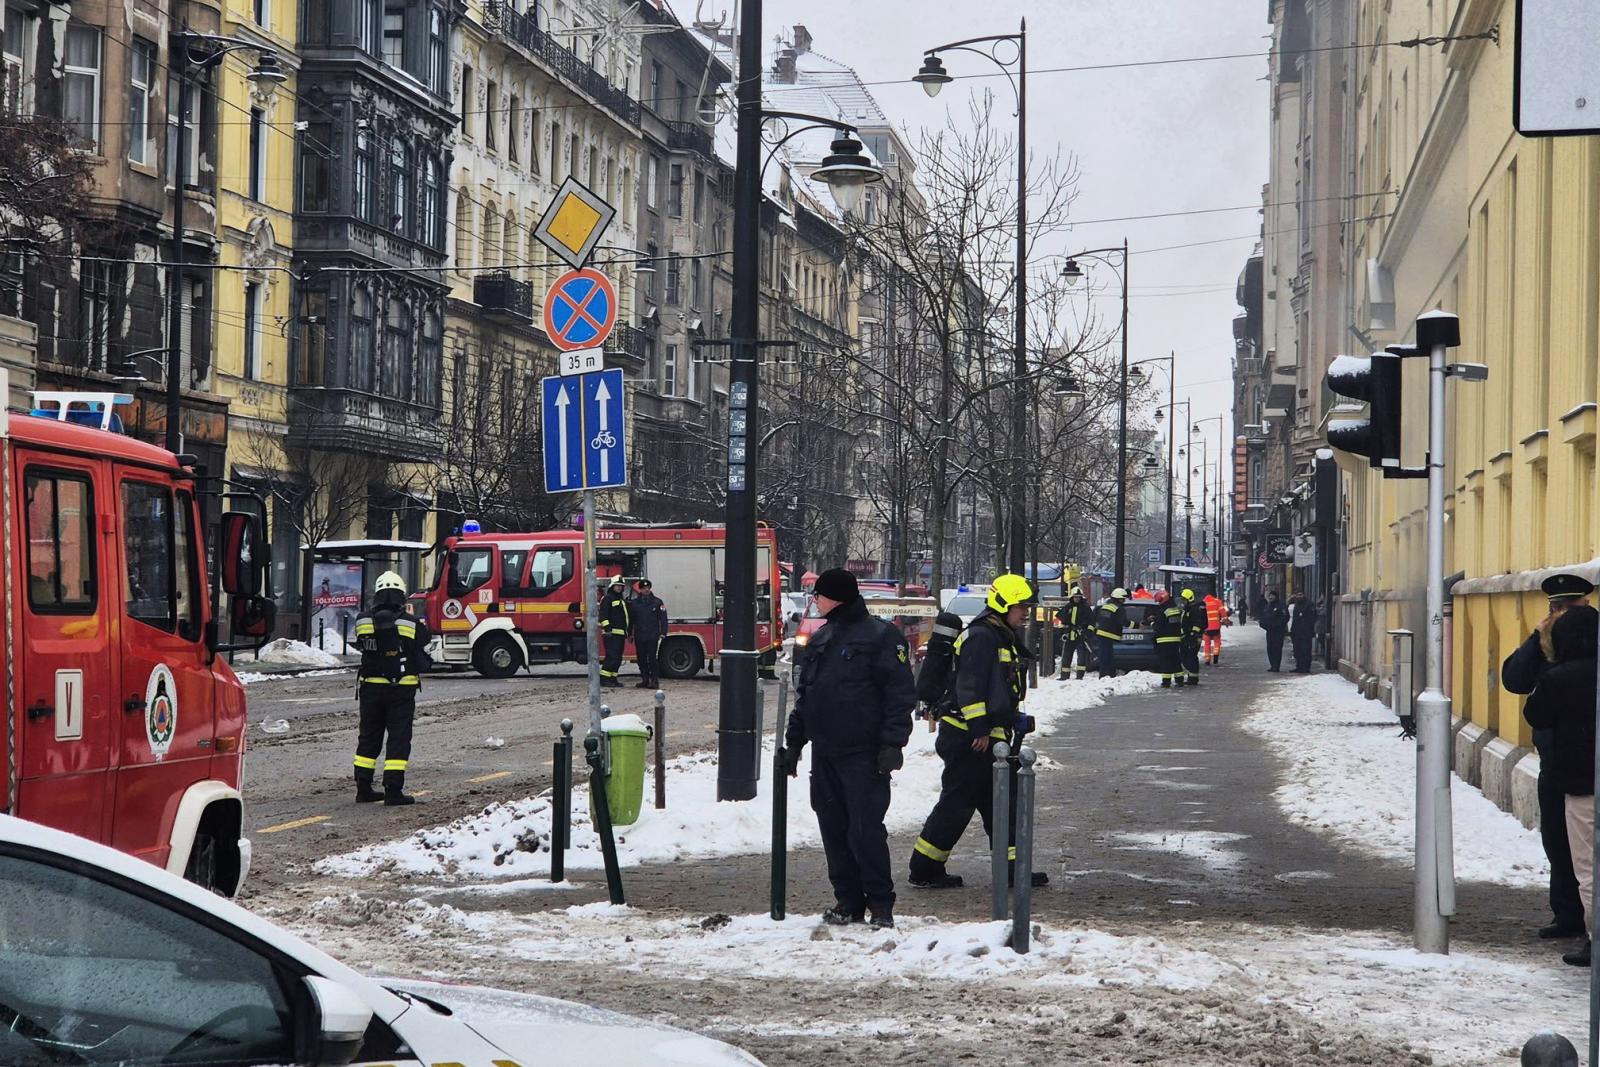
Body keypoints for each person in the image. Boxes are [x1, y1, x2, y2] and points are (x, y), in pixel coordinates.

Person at [782, 568, 915, 928]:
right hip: (825, 754)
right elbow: (806, 698)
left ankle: (881, 906)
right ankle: (849, 901)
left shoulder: (880, 637)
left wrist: (892, 743)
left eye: (819, 595)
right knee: (833, 829)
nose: (814, 601)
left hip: (864, 754)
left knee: (865, 829)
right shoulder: (823, 638)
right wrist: (794, 744)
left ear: (835, 597)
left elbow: (900, 696)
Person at [908, 573, 1047, 891]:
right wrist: (980, 730)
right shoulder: (983, 637)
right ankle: (924, 867)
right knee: (957, 804)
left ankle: (1013, 867)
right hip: (970, 738)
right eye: (1021, 606)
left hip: (985, 735)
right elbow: (969, 688)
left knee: (1004, 801)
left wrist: (1010, 719)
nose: (1026, 612)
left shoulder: (998, 635)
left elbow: (995, 688)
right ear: (1003, 605)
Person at [1504, 572, 1595, 945]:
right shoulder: (1547, 643)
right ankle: (1568, 914)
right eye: (1555, 608)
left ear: (1584, 605)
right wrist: (1535, 640)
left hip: (1583, 761)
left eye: (1567, 607)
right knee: (1558, 841)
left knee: (1586, 852)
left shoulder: (1588, 636)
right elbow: (1515, 679)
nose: (1560, 614)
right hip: (1555, 760)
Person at [1519, 603, 1599, 968]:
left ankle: (1595, 940)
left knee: (1587, 868)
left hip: (1580, 784)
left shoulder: (1561, 677)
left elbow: (1534, 712)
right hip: (1579, 778)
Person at [352, 571, 432, 806]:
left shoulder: (362, 620)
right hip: (400, 689)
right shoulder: (408, 622)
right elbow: (424, 640)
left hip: (370, 688)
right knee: (398, 738)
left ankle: (363, 788)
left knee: (368, 736)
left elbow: (361, 644)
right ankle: (393, 790)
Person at [631, 578, 669, 689]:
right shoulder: (634, 603)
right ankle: (645, 679)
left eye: (648, 588)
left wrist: (663, 632)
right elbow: (631, 620)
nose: (646, 590)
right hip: (639, 635)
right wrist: (630, 633)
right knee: (641, 658)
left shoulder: (657, 602)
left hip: (652, 635)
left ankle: (654, 680)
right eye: (644, 588)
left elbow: (663, 618)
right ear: (640, 590)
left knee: (652, 658)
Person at [1055, 586, 1094, 680]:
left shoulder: (1086, 608)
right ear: (1072, 597)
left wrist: (1087, 632)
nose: (1077, 598)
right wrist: (1062, 632)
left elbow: (1092, 622)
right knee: (1066, 656)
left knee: (1081, 657)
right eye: (1075, 597)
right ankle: (1064, 676)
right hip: (1069, 635)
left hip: (1081, 635)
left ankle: (1080, 676)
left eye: (1079, 597)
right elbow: (1062, 620)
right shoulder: (1068, 607)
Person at [599, 578, 629, 688]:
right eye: (617, 585)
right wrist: (607, 629)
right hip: (611, 634)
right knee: (611, 657)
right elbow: (603, 615)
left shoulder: (621, 599)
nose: (619, 587)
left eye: (621, 586)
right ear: (612, 586)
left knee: (617, 658)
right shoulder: (608, 598)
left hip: (620, 634)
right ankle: (604, 679)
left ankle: (613, 678)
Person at [1093, 588, 1129, 678]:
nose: (1124, 601)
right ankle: (1105, 675)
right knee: (1107, 656)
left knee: (1105, 655)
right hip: (1110, 634)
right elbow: (1124, 622)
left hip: (1101, 633)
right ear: (1118, 598)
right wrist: (1137, 625)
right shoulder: (1119, 609)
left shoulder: (1104, 607)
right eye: (1123, 599)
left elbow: (1095, 618)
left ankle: (1106, 674)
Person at [1152, 589, 1184, 688]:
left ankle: (1166, 682)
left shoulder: (1162, 611)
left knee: (1166, 661)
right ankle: (1180, 680)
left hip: (1164, 640)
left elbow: (1157, 626)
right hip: (1176, 639)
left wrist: (1152, 622)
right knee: (1176, 660)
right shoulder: (1176, 609)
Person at [1179, 588, 1206, 686]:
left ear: (1189, 599)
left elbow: (1198, 623)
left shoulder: (1194, 610)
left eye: (1184, 600)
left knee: (1191, 657)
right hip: (1187, 637)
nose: (1183, 602)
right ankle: (1192, 677)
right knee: (1186, 656)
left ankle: (1193, 679)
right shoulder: (1188, 609)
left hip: (1193, 637)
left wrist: (1193, 634)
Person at [1288, 592, 1319, 673]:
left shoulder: (1309, 604)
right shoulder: (1296, 605)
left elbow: (1313, 617)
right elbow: (1295, 619)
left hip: (1306, 632)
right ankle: (1299, 666)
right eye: (1297, 595)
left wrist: (1308, 626)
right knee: (1297, 650)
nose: (1299, 596)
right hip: (1296, 631)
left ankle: (1305, 667)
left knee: (1305, 650)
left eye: (1301, 595)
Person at [1259, 590, 1289, 672]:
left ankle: (1276, 666)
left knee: (1277, 648)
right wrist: (1263, 625)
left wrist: (1276, 625)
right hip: (1269, 631)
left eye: (1272, 596)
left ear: (1276, 596)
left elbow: (1285, 617)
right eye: (1269, 596)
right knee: (1270, 648)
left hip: (1278, 631)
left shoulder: (1281, 605)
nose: (1270, 597)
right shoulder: (1267, 606)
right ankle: (1272, 665)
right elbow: (1263, 617)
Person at [1202, 592, 1228, 665]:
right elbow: (1223, 612)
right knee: (1217, 642)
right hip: (1216, 627)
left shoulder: (1203, 603)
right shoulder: (1217, 602)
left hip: (1206, 628)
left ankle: (1207, 659)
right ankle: (1215, 656)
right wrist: (1225, 620)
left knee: (1207, 644)